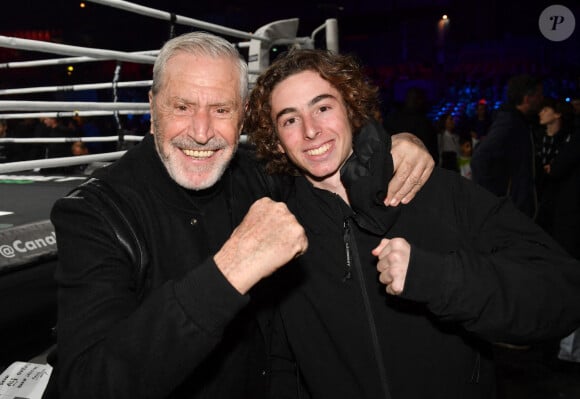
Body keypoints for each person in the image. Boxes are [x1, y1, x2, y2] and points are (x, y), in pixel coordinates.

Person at [48, 32, 434, 399]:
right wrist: (230, 270)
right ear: (153, 108)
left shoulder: (257, 175)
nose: (201, 132)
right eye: (182, 107)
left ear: (244, 114)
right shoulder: (95, 214)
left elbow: (323, 150)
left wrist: (395, 146)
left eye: (221, 110)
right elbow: (87, 384)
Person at [245, 48, 580, 399]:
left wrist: (438, 278)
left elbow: (563, 294)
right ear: (278, 142)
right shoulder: (280, 232)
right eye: (290, 120)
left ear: (350, 111)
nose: (311, 130)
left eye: (323, 108)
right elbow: (282, 362)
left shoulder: (437, 191)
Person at [471, 74, 544, 218]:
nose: (542, 99)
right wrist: (496, 201)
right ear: (527, 98)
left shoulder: (521, 122)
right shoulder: (510, 123)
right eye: (539, 95)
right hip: (512, 212)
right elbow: (480, 159)